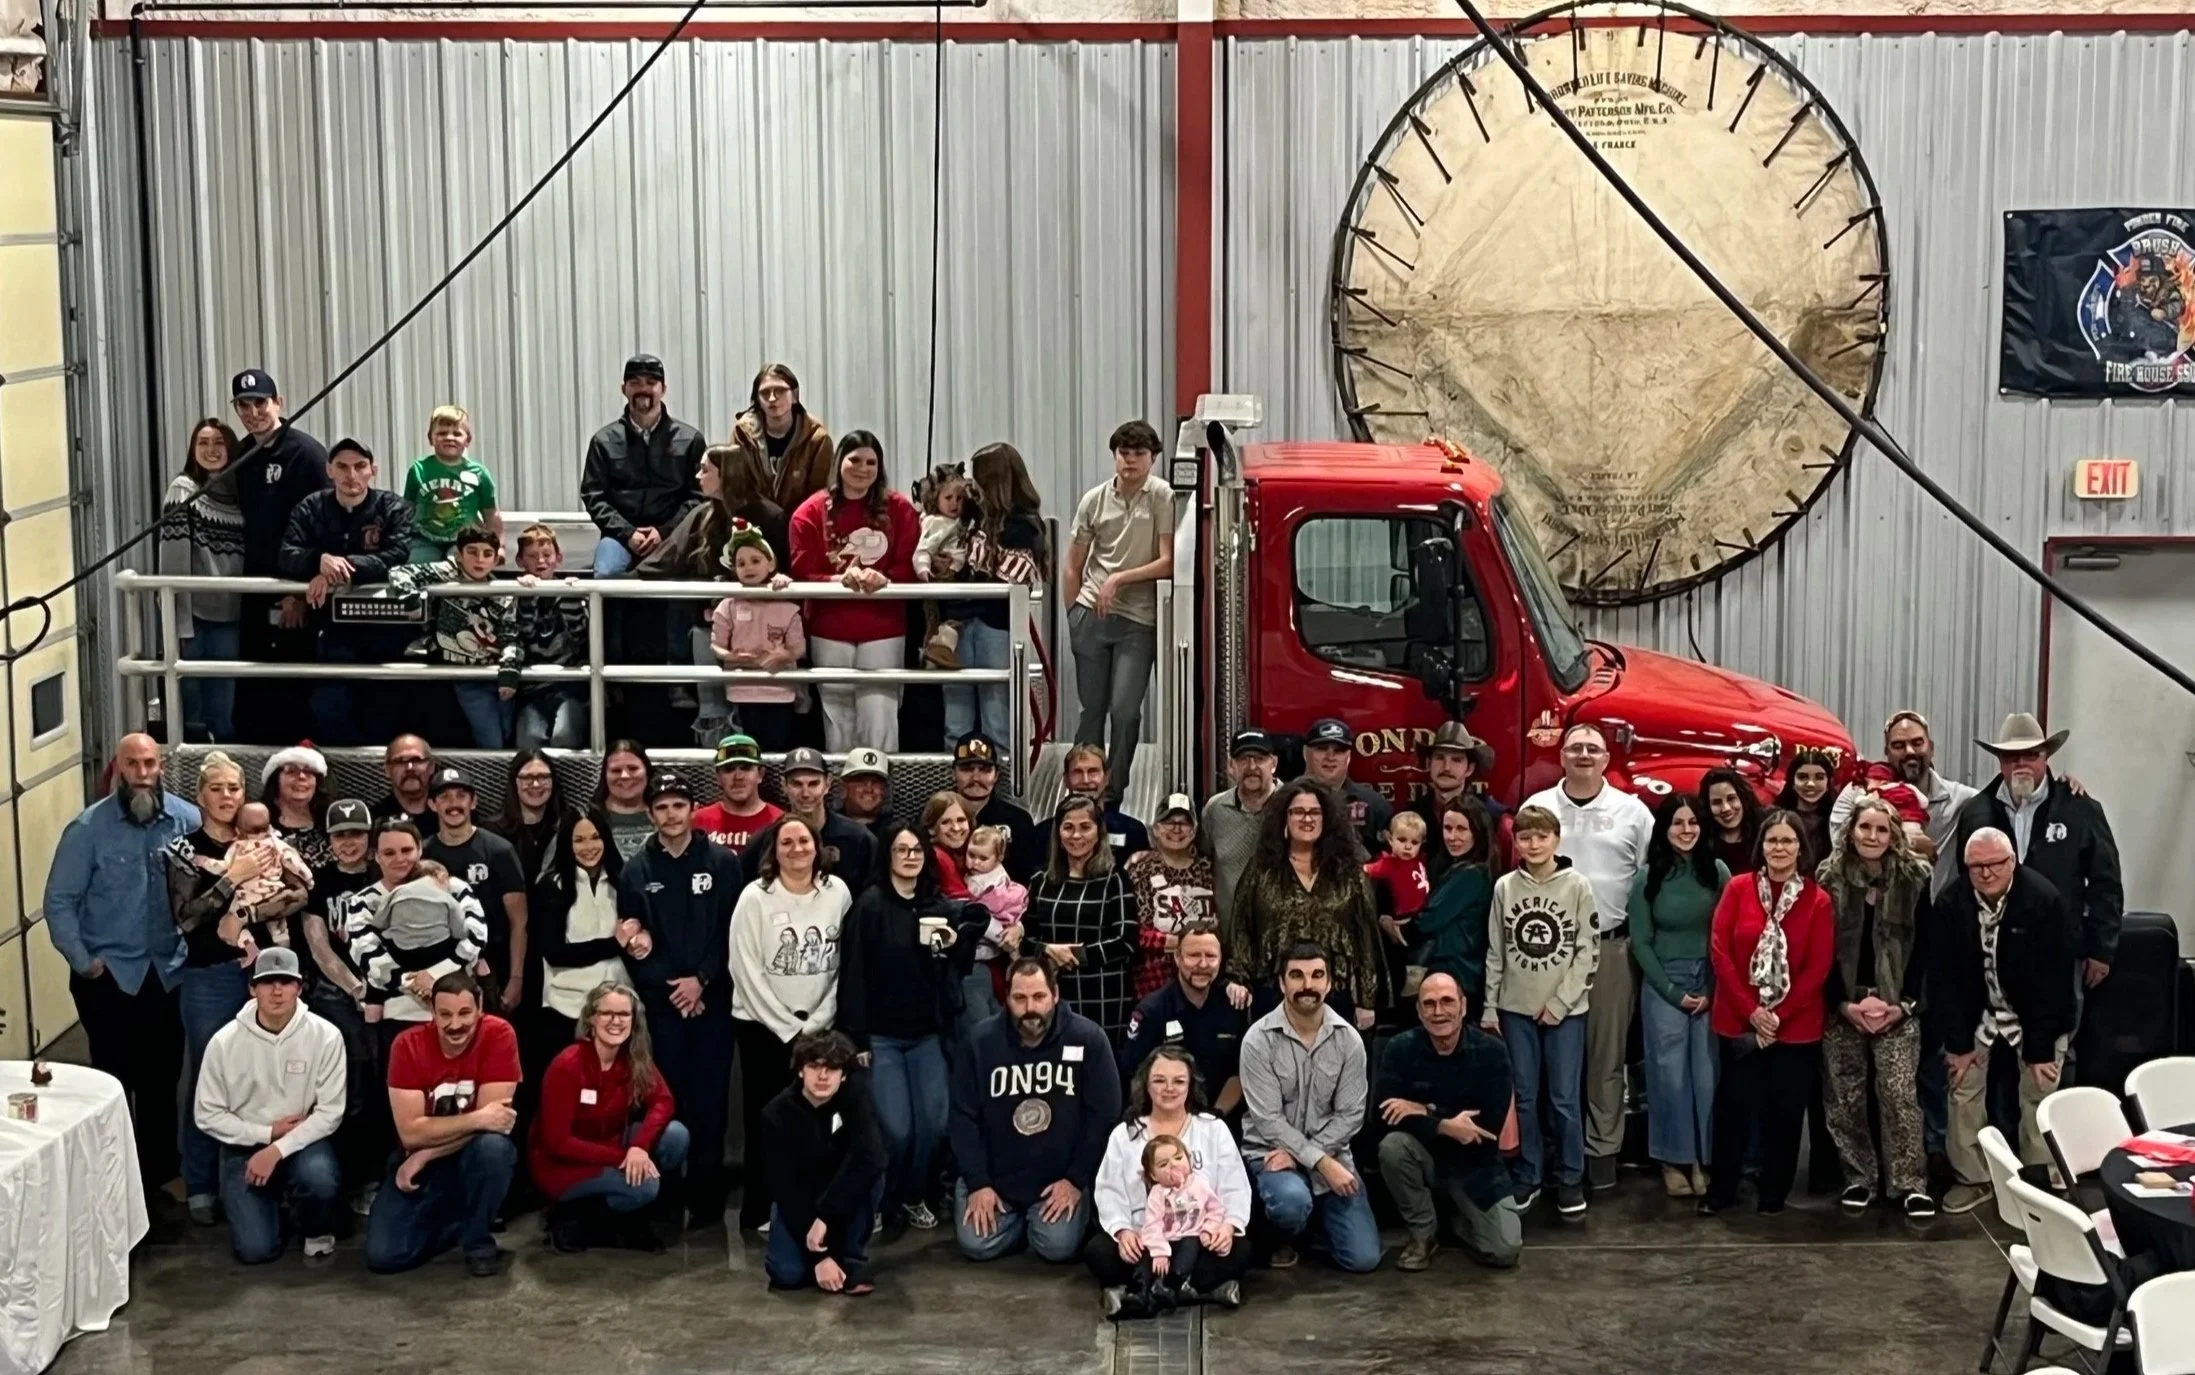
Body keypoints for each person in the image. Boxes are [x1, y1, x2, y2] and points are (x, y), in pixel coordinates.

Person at [44, 734, 202, 1197]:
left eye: (150, 763)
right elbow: (59, 902)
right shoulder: (87, 829)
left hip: (168, 972)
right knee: (112, 1079)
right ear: (118, 767)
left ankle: (160, 1172)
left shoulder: (185, 819)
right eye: (132, 763)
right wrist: (85, 963)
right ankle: (111, 1177)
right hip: (109, 975)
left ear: (161, 767)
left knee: (163, 1075)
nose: (142, 771)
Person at [168, 751, 306, 1224]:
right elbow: (187, 917)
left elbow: (299, 892)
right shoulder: (184, 849)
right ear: (199, 796)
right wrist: (233, 880)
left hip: (266, 969)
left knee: (271, 1073)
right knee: (208, 1075)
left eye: (234, 789)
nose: (227, 797)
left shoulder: (266, 839)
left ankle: (268, 1176)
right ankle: (202, 1181)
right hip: (211, 974)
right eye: (216, 789)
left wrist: (247, 913)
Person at [1523, 723, 1654, 1193]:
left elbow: (1645, 878)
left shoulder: (1633, 812)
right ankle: (1556, 1153)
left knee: (1606, 1058)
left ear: (1606, 759)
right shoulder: (1536, 808)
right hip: (1546, 950)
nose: (1583, 754)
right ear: (1561, 755)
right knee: (1552, 1062)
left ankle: (1602, 1153)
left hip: (1610, 948)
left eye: (1592, 749)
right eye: (1575, 747)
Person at [837, 825, 980, 1237]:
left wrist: (955, 945)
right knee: (897, 1130)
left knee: (935, 1125)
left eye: (916, 849)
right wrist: (857, 1040)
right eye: (901, 849)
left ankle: (915, 1194)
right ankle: (885, 1201)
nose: (910, 856)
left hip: (927, 1036)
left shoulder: (937, 904)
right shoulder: (870, 907)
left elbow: (959, 963)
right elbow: (854, 976)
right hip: (881, 1037)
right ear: (888, 856)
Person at [1932, 827, 2081, 1215]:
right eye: (1975, 866)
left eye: (1994, 864)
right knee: (1962, 1086)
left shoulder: (2043, 900)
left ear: (2012, 861)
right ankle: (1973, 1178)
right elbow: (1944, 979)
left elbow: (2056, 981)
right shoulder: (1951, 903)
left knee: (2039, 1087)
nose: (1985, 873)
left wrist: (2041, 1048)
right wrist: (1960, 1046)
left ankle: (2043, 1180)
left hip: (2036, 1011)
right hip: (1978, 1009)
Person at [619, 772, 744, 1228]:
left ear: (693, 809)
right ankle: (667, 1193)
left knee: (710, 1100)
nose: (671, 815)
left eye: (678, 805)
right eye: (662, 807)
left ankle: (708, 1197)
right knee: (666, 1100)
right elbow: (632, 940)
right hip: (663, 1007)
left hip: (712, 1002)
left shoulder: (722, 862)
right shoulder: (636, 871)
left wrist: (702, 981)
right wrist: (673, 987)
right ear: (650, 813)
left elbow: (732, 930)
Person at [1700, 810, 1836, 1217]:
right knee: (1733, 1109)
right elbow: (1720, 950)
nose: (1780, 848)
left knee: (1785, 1113)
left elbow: (1819, 967)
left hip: (1795, 1028)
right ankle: (1722, 1190)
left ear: (1800, 848)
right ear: (1762, 846)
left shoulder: (1818, 899)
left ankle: (1773, 1195)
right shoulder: (1738, 889)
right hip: (1739, 1020)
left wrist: (1778, 1014)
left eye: (1788, 841)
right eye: (1773, 841)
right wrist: (1752, 1010)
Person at [731, 814, 855, 1233]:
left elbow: (844, 963)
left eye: (804, 841)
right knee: (768, 1121)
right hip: (764, 1029)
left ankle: (819, 1208)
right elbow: (745, 968)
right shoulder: (755, 897)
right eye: (787, 842)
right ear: (774, 850)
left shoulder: (837, 892)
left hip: (823, 1028)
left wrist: (819, 1022)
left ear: (817, 847)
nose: (797, 849)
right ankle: (762, 1210)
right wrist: (788, 1029)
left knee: (822, 1123)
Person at [950, 958, 1121, 1262]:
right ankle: (1023, 1224)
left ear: (1055, 995)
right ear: (1006, 998)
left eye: (1039, 997)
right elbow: (963, 1117)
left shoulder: (1088, 1039)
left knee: (1057, 1248)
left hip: (1058, 1181)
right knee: (976, 1244)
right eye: (1020, 998)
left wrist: (1075, 1179)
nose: (1030, 1008)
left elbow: (1104, 1115)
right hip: (997, 1178)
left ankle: (1032, 1225)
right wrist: (978, 1183)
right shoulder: (979, 1041)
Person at [192, 947, 348, 1263]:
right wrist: (265, 1134)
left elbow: (330, 1113)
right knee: (255, 1251)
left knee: (318, 1177)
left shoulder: (326, 1036)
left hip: (304, 1141)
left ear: (299, 987)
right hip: (243, 1147)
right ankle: (271, 1206)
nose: (276, 991)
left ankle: (315, 1227)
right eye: (267, 982)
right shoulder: (224, 1042)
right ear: (252, 988)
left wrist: (276, 1149)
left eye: (285, 982)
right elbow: (206, 1113)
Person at [1818, 796, 1935, 1218]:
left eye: (1882, 830)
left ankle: (1909, 1183)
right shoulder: (1828, 878)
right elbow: (1819, 950)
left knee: (1899, 1094)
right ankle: (1858, 1177)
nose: (1872, 836)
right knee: (1844, 1096)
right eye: (1865, 828)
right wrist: (1842, 1003)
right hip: (1844, 1005)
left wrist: (1904, 1006)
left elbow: (1925, 949)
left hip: (1897, 1006)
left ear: (1894, 835)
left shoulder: (1916, 878)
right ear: (1851, 832)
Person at [1952, 712, 2123, 1000]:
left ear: (2046, 757)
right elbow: (1964, 879)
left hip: (2060, 953)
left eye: (2031, 754)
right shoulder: (1975, 812)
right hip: (1992, 957)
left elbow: (2105, 883)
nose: (2021, 763)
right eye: (2010, 756)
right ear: (2000, 762)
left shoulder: (2079, 810)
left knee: (2056, 1040)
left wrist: (2101, 949)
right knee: (1993, 1038)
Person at [363, 971, 522, 1277]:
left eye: (465, 1013)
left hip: (466, 1155)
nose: (455, 1024)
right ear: (432, 1013)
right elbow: (411, 1133)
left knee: (494, 1149)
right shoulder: (406, 1045)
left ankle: (478, 1240)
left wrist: (427, 1152)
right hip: (418, 1162)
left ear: (480, 1009)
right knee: (384, 1257)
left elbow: (497, 1122)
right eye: (445, 1014)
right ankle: (456, 1223)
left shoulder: (499, 1034)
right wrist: (477, 1118)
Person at [1486, 804, 1598, 1217]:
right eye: (1525, 837)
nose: (1533, 844)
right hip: (1515, 1008)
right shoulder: (1504, 888)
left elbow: (1587, 952)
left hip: (1565, 1012)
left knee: (1565, 1099)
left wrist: (1559, 1003)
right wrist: (1489, 1006)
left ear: (1556, 840)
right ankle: (1529, 1174)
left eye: (1541, 836)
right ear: (1515, 843)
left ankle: (1570, 1177)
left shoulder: (1577, 886)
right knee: (1527, 1098)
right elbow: (1496, 951)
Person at [1239, 943, 1378, 1272]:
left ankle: (1317, 1222)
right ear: (1282, 983)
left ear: (1329, 983)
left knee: (1364, 1259)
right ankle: (1286, 1232)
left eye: (1317, 975)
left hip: (1332, 1156)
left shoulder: (1349, 1040)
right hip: (1273, 1159)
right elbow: (1269, 1121)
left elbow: (1351, 1115)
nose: (1307, 986)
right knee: (1290, 1201)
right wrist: (1320, 1162)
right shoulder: (1257, 1040)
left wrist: (1311, 1156)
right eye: (1297, 976)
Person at [1377, 972, 1522, 1271]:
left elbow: (1486, 1130)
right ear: (1418, 1011)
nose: (1438, 1011)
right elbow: (1385, 1119)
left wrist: (1422, 1109)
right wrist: (1445, 1124)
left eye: (1447, 1001)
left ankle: (1454, 1221)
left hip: (1476, 1168)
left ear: (1464, 1006)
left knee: (1505, 1251)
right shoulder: (1399, 1049)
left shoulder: (1492, 1052)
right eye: (1429, 1004)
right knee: (1393, 1146)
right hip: (1424, 1158)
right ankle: (1424, 1233)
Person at [788, 430, 920, 752]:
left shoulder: (900, 509)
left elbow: (910, 562)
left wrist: (884, 580)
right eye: (855, 460)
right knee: (837, 716)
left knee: (880, 714)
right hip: (829, 628)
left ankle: (883, 797)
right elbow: (802, 570)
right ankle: (839, 797)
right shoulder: (809, 513)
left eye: (871, 462)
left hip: (883, 627)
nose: (863, 468)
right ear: (839, 463)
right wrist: (838, 581)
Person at [1089, 1046, 1248, 1314]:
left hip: (1197, 1238)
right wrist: (1123, 1230)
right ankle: (1192, 1291)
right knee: (1099, 1252)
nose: (1169, 1089)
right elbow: (1109, 1191)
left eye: (1179, 1081)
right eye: (1159, 1081)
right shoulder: (1125, 1134)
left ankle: (1145, 1291)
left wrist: (1228, 1228)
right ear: (1146, 1085)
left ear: (1190, 1086)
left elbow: (1235, 1186)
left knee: (1241, 1251)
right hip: (1145, 1237)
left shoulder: (1213, 1128)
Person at [276, 439, 415, 745]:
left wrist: (341, 567)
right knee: (328, 705)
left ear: (372, 470)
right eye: (342, 466)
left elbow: (399, 554)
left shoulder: (393, 507)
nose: (351, 475)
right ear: (329, 470)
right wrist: (318, 561)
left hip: (384, 627)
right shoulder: (311, 507)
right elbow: (287, 554)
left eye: (359, 466)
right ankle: (341, 771)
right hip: (331, 629)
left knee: (383, 706)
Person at [1065, 420, 1175, 805]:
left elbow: (1169, 561)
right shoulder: (1094, 499)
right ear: (1114, 456)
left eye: (1138, 454)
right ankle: (1082, 788)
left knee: (1125, 711)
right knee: (1091, 710)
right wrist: (1073, 615)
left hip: (1138, 620)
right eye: (1123, 453)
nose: (1129, 460)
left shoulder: (1162, 496)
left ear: (1153, 458)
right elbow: (1072, 564)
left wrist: (1119, 579)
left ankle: (1113, 791)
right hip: (1091, 614)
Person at [531, 981, 684, 1254]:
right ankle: (571, 1217)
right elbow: (557, 1142)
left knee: (676, 1136)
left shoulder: (632, 1058)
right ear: (591, 1018)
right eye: (607, 1014)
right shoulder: (568, 1065)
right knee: (645, 1186)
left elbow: (663, 1100)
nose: (616, 1021)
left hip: (612, 1147)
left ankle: (624, 1219)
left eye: (624, 1015)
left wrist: (639, 1147)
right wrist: (623, 1157)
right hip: (564, 1164)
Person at [1629, 793, 1728, 1200]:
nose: (1686, 831)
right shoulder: (1648, 878)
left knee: (1706, 1076)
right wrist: (1672, 992)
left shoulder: (1717, 872)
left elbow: (1727, 933)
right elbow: (1640, 942)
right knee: (1668, 1077)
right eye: (1677, 823)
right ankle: (1673, 1160)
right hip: (1663, 984)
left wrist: (1711, 988)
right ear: (1664, 830)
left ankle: (1703, 1160)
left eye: (1692, 822)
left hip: (1710, 980)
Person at [1227, 779, 1385, 1027]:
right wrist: (1238, 977)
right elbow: (1242, 927)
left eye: (1314, 812)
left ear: (1327, 818)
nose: (1307, 819)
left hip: (1336, 993)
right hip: (1274, 993)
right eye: (1298, 812)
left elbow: (1365, 935)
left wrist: (1366, 999)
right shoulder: (1262, 869)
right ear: (1284, 819)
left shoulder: (1349, 871)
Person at [230, 368, 332, 741]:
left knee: (296, 683)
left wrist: (299, 592)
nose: (253, 411)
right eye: (244, 404)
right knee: (257, 682)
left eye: (260, 402)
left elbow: (326, 523)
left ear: (278, 403)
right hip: (252, 590)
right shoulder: (240, 456)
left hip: (296, 594)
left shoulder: (305, 454)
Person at [761, 1031, 886, 1294]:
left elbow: (871, 1157)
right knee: (787, 1275)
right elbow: (784, 1187)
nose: (822, 1076)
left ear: (843, 1075)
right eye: (814, 1066)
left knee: (871, 1170)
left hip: (842, 1196)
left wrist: (826, 1216)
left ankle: (851, 1259)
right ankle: (829, 1261)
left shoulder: (856, 1095)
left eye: (831, 1068)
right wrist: (820, 1258)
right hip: (801, 1200)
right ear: (799, 1071)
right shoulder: (776, 1114)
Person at [940, 441, 1046, 744]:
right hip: (960, 624)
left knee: (997, 715)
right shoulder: (971, 519)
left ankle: (1000, 786)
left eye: (979, 478)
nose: (973, 485)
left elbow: (1009, 583)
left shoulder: (1024, 527)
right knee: (956, 714)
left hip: (996, 627)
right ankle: (955, 785)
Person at [348, 824, 488, 1035]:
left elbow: (476, 937)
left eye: (406, 850)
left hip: (459, 1010)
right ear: (376, 857)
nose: (400, 859)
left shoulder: (454, 888)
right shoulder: (363, 902)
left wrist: (435, 976)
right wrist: (415, 983)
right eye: (389, 853)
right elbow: (367, 956)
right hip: (398, 1016)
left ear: (420, 850)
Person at [385, 525, 516, 749]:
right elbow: (399, 572)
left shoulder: (503, 592)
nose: (480, 560)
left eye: (487, 554)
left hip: (495, 674)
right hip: (463, 674)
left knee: (507, 734)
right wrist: (411, 598)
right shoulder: (448, 572)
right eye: (472, 552)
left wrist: (510, 669)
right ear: (459, 555)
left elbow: (510, 635)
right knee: (492, 742)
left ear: (496, 560)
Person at [159, 417, 247, 741]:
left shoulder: (240, 494)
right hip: (195, 619)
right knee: (192, 712)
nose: (211, 450)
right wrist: (179, 624)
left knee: (224, 710)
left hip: (232, 616)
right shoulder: (183, 489)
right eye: (203, 443)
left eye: (218, 442)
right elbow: (172, 563)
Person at [580, 353, 707, 579]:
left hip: (674, 535)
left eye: (651, 383)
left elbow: (698, 495)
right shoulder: (603, 441)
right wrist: (628, 533)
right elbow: (593, 495)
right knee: (606, 574)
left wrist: (665, 531)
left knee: (691, 574)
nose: (643, 389)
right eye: (635, 382)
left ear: (663, 389)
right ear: (624, 388)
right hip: (619, 537)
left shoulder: (689, 440)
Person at [1025, 794, 1139, 1038]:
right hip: (1053, 991)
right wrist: (1046, 950)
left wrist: (1074, 955)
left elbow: (1126, 941)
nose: (1076, 836)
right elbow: (1027, 938)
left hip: (1104, 995)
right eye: (1068, 828)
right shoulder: (1041, 881)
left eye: (1085, 827)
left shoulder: (1115, 880)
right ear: (1058, 833)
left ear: (1099, 832)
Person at [1831, 710, 1978, 890]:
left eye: (1917, 743)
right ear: (1887, 751)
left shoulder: (1960, 799)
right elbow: (1840, 847)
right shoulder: (1858, 793)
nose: (1909, 751)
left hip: (1937, 912)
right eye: (1898, 745)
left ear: (1931, 747)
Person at [422, 766, 529, 1015]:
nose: (453, 804)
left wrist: (516, 978)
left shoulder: (500, 850)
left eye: (461, 796)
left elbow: (519, 922)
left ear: (474, 802)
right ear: (431, 804)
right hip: (440, 967)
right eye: (445, 797)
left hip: (492, 967)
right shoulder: (423, 854)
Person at [1120, 928, 1251, 1117]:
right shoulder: (1152, 1011)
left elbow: (1238, 1075)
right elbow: (1136, 1077)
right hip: (1164, 1119)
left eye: (1211, 956)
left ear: (1221, 959)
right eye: (1194, 955)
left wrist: (1212, 1118)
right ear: (1177, 958)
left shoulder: (1233, 1007)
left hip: (1221, 1120)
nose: (1203, 964)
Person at [534, 810, 633, 1053]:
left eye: (595, 837)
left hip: (618, 1006)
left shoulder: (623, 881)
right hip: (566, 1008)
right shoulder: (551, 886)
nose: (588, 847)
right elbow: (554, 953)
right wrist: (613, 944)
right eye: (578, 840)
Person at [709, 521, 804, 751]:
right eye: (741, 563)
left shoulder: (786, 601)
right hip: (742, 690)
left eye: (755, 560)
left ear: (770, 563)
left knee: (778, 749)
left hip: (779, 690)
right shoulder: (727, 604)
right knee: (747, 751)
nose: (748, 567)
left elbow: (799, 648)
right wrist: (736, 658)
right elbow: (716, 646)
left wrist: (784, 654)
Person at [741, 748, 876, 899]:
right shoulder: (763, 842)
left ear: (827, 784)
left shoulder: (859, 839)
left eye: (813, 784)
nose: (805, 793)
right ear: (784, 785)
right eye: (797, 784)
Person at [503, 524, 590, 750]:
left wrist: (569, 597)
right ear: (521, 562)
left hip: (570, 689)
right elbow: (524, 635)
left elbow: (580, 638)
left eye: (546, 555)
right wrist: (528, 596)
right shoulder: (515, 595)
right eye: (532, 556)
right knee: (529, 743)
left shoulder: (572, 591)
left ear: (558, 558)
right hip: (532, 691)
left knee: (565, 738)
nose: (540, 561)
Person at [1124, 793, 1217, 1000]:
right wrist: (1177, 942)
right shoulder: (1140, 869)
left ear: (1194, 831)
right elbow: (1132, 931)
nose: (1176, 829)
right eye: (1168, 822)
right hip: (1154, 981)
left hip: (1203, 978)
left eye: (1184, 823)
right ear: (1155, 828)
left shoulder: (1208, 868)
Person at [1414, 795, 1497, 1002]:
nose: (1452, 836)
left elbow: (1427, 921)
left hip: (1459, 975)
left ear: (1477, 831)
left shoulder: (1472, 874)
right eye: (1447, 828)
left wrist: (1394, 926)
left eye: (1461, 829)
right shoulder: (1448, 866)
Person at [730, 362, 835, 513]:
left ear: (794, 395)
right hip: (753, 523)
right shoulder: (742, 434)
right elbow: (736, 487)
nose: (772, 398)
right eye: (765, 393)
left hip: (800, 522)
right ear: (758, 400)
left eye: (780, 390)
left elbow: (819, 496)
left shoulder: (817, 439)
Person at [403, 404, 502, 562]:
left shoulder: (479, 473)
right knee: (414, 565)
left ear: (467, 440)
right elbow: (407, 508)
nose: (449, 438)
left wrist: (498, 546)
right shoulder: (419, 470)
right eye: (442, 433)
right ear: (431, 438)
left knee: (461, 565)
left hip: (463, 540)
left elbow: (490, 512)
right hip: (424, 538)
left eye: (457, 434)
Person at [1203, 727, 1278, 926]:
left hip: (1283, 939)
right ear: (1231, 766)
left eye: (1260, 759)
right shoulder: (1215, 810)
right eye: (1243, 759)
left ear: (1274, 764)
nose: (1252, 766)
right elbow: (1198, 861)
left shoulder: (1294, 805)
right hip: (1229, 938)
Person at [1407, 723, 1510, 864]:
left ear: (1469, 769)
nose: (1446, 767)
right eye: (1439, 758)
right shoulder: (1412, 815)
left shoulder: (1492, 816)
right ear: (1428, 763)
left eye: (1456, 760)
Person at [213, 801, 315, 943]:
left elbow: (294, 866)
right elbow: (295, 863)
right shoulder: (266, 844)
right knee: (232, 927)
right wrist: (309, 879)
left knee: (238, 924)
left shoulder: (268, 845)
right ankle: (259, 950)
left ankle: (270, 951)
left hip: (261, 895)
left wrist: (205, 863)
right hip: (258, 892)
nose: (259, 836)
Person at [1036, 744, 1152, 868]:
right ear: (1066, 780)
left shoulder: (1132, 831)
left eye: (1093, 772)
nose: (1085, 780)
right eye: (1077, 772)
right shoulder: (1043, 833)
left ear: (1106, 778)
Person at [963, 824, 1028, 1031]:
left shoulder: (994, 883)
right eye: (971, 855)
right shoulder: (972, 875)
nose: (975, 862)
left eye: (983, 859)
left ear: (998, 859)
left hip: (991, 948)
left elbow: (987, 910)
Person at [953, 732, 1041, 879]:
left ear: (996, 776)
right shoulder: (937, 817)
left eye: (985, 770)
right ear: (953, 773)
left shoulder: (1018, 821)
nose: (975, 777)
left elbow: (1026, 877)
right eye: (967, 769)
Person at [1365, 810, 1430, 1009]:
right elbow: (1366, 870)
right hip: (1402, 920)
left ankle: (1416, 976)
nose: (1408, 846)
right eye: (1402, 840)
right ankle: (1409, 982)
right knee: (1404, 956)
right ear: (1390, 840)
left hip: (1421, 916)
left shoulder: (1420, 861)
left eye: (1414, 842)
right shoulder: (1388, 864)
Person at [1300, 716, 1391, 855]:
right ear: (1306, 753)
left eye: (1339, 751)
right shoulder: (1286, 800)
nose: (1330, 757)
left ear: (1348, 756)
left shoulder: (1375, 805)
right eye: (1322, 748)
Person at [912, 461, 973, 668]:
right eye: (948, 498)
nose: (954, 504)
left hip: (957, 575)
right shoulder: (935, 523)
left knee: (949, 621)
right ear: (934, 498)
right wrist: (924, 569)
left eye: (959, 498)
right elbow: (923, 549)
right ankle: (933, 653)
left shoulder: (960, 523)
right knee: (939, 619)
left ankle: (938, 652)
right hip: (940, 579)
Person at [487, 749, 570, 891]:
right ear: (515, 782)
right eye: (527, 778)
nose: (536, 784)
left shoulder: (569, 824)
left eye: (543, 777)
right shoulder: (492, 831)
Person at [691, 733, 784, 852]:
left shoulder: (779, 821)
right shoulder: (697, 821)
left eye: (746, 768)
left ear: (760, 774)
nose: (738, 776)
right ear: (718, 777)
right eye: (729, 769)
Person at [260, 744, 334, 869]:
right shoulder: (258, 821)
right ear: (275, 778)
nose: (301, 776)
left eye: (309, 771)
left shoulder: (331, 820)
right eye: (291, 770)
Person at [594, 740, 657, 861]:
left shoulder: (665, 811)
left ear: (647, 772)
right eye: (616, 771)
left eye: (633, 768)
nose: (625, 776)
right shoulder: (589, 816)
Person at [1776, 748, 1838, 869]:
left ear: (1828, 783)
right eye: (1802, 777)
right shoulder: (1774, 817)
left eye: (1819, 777)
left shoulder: (1838, 821)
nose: (1811, 784)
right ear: (1792, 782)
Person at [1700, 767, 1763, 879]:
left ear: (1743, 798)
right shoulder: (1701, 844)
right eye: (1716, 802)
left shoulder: (1764, 835)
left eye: (1731, 798)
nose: (1726, 808)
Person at [372, 733, 436, 831]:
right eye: (400, 761)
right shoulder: (375, 820)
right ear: (387, 770)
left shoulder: (447, 815)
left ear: (431, 766)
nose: (409, 768)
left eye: (416, 760)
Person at [921, 790, 974, 895]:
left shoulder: (967, 854)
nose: (956, 828)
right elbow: (961, 898)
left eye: (961, 820)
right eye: (945, 822)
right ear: (931, 828)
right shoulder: (939, 856)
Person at [837, 748, 892, 839]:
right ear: (844, 789)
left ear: (885, 790)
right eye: (860, 781)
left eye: (876, 781)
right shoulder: (827, 828)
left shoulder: (895, 833)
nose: (868, 788)